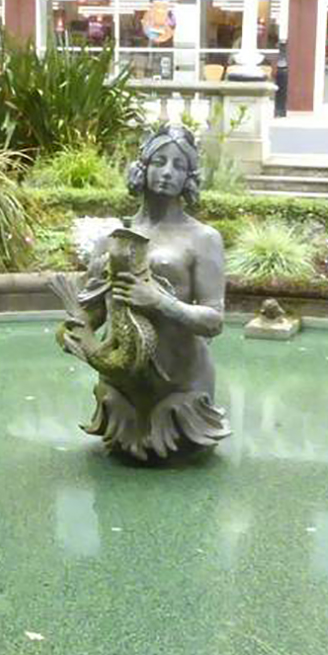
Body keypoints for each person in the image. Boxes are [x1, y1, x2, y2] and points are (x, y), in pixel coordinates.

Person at [58, 124, 231, 461]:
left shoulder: (204, 239)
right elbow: (92, 313)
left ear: (189, 178)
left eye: (179, 166)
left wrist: (160, 302)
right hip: (123, 387)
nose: (167, 172)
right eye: (159, 161)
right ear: (144, 167)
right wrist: (76, 332)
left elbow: (214, 321)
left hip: (181, 386)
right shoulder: (111, 239)